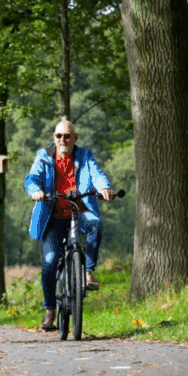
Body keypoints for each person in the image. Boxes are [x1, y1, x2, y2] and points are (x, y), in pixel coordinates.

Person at [24, 117, 113, 331]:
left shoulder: (84, 155)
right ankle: (50, 309)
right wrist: (35, 190)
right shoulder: (44, 155)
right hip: (53, 216)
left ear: (75, 138)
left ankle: (88, 271)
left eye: (67, 136)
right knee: (50, 260)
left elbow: (97, 174)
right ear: (54, 137)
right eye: (58, 136)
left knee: (95, 224)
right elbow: (32, 177)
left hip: (79, 211)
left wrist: (104, 187)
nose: (62, 140)